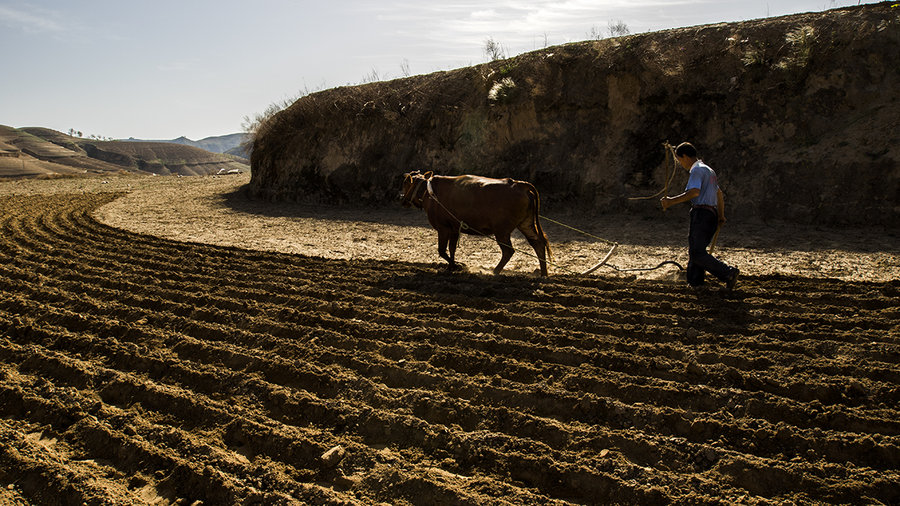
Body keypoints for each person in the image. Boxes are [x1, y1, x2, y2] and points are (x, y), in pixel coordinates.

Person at [660, 142, 739, 291]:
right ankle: (695, 283)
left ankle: (727, 272)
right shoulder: (709, 170)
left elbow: (694, 192)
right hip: (712, 214)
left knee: (697, 252)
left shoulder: (696, 170)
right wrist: (721, 215)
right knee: (697, 250)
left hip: (701, 214)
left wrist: (670, 201)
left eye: (680, 160)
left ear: (684, 156)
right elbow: (719, 194)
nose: (681, 164)